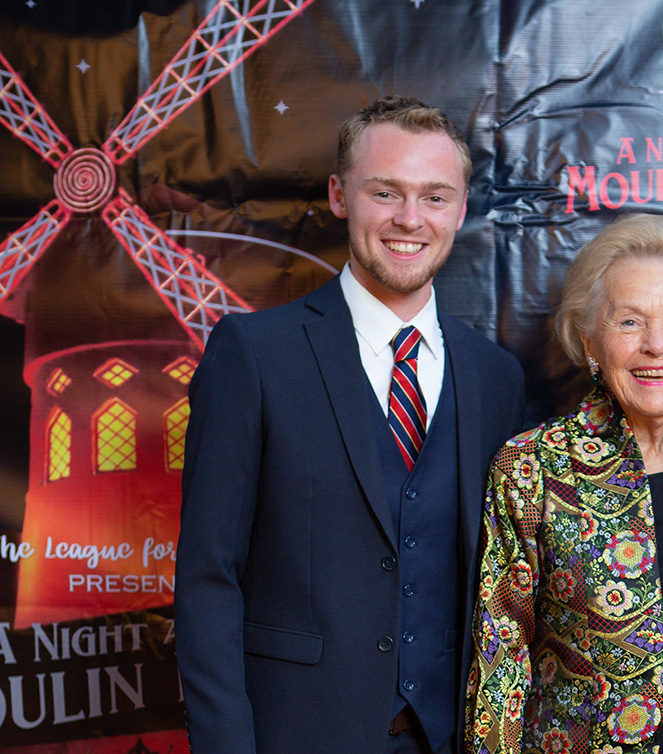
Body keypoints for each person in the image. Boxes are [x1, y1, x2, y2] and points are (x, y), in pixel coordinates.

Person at [175, 95, 525, 754]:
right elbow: (207, 578)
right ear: (340, 195)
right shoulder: (253, 354)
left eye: (435, 197)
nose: (409, 220)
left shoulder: (495, 377)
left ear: (461, 209)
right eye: (385, 192)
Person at [466, 214, 663, 754]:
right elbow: (500, 664)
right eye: (630, 322)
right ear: (590, 342)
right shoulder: (531, 469)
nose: (658, 345)